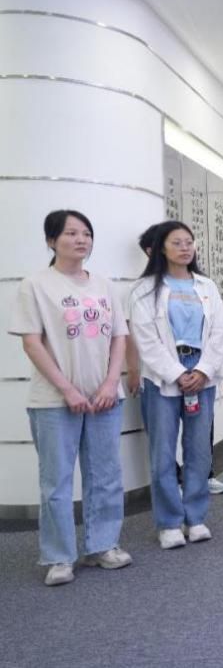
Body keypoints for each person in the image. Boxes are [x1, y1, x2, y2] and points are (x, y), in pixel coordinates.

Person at [10, 210, 132, 586]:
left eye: (86, 234)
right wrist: (67, 389)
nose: (81, 240)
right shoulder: (35, 285)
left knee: (105, 476)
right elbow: (32, 343)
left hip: (105, 398)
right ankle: (59, 556)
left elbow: (119, 337)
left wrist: (111, 383)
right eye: (71, 233)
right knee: (56, 482)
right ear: (51, 241)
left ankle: (102, 546)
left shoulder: (105, 285)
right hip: (53, 400)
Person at [130, 220, 223, 549]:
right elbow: (146, 339)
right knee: (162, 451)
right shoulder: (144, 289)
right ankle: (169, 521)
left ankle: (195, 517)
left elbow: (218, 334)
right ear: (160, 248)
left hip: (202, 373)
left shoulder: (207, 286)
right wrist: (176, 373)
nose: (185, 247)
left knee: (199, 451)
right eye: (177, 242)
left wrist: (203, 370)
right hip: (162, 376)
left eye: (189, 241)